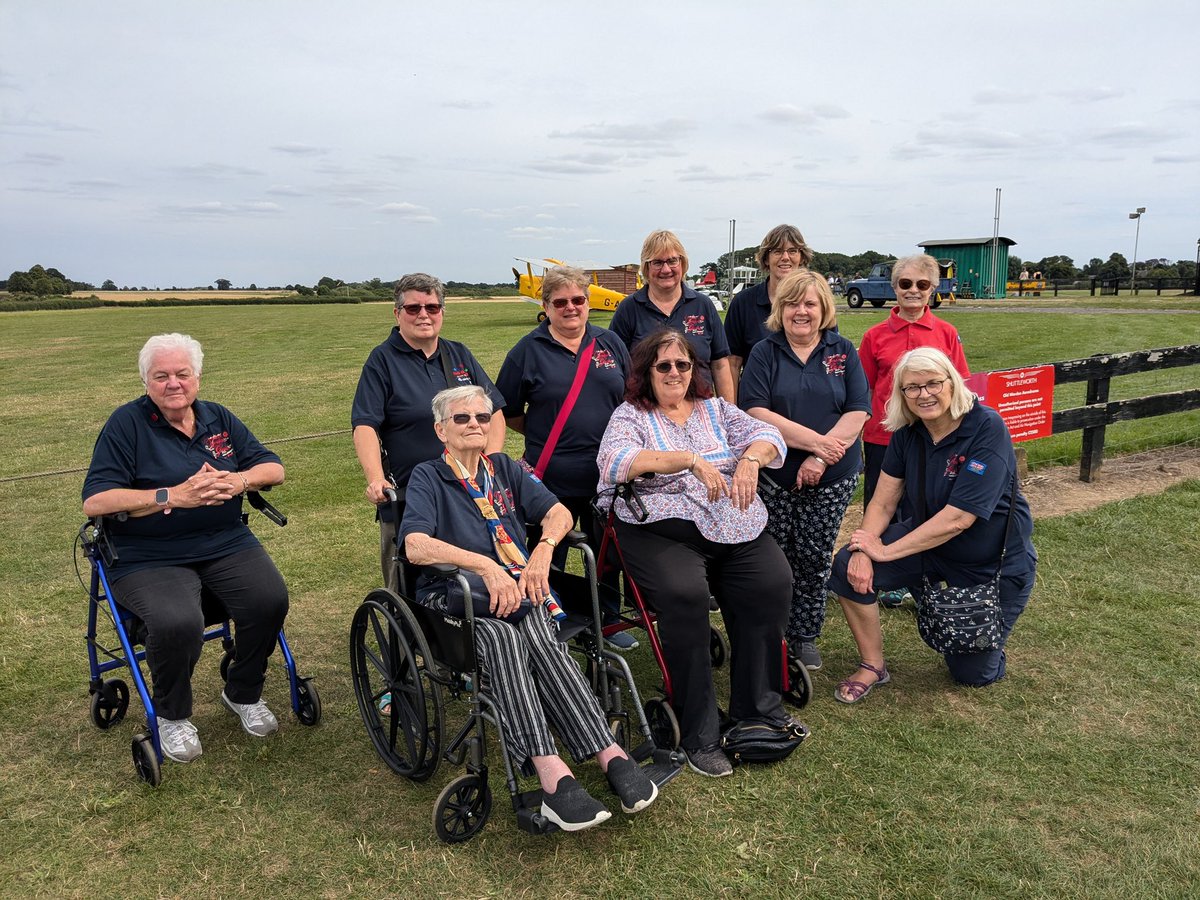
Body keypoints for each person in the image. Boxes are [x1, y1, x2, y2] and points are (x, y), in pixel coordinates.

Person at [401, 386, 659, 832]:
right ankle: (552, 774)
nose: (475, 425)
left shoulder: (504, 468)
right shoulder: (427, 477)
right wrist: (484, 564)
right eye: (462, 419)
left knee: (539, 633)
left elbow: (559, 513)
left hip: (518, 593)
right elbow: (415, 546)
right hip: (457, 598)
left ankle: (609, 753)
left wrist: (541, 551)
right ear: (441, 430)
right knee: (504, 641)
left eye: (482, 417)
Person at [82, 333, 290, 763]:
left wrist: (240, 481)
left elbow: (274, 467)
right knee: (177, 621)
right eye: (161, 376)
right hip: (146, 553)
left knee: (269, 599)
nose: (173, 383)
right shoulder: (126, 424)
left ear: (197, 377)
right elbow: (96, 501)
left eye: (182, 373)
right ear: (146, 381)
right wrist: (171, 496)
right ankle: (172, 717)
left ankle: (243, 692)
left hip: (225, 540)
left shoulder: (218, 418)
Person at [597, 328, 792, 778]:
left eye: (682, 365)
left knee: (771, 582)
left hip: (732, 522)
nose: (674, 373)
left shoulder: (716, 408)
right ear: (646, 372)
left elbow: (767, 435)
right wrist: (689, 460)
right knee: (684, 596)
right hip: (661, 530)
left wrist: (750, 460)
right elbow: (616, 462)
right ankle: (699, 730)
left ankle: (758, 709)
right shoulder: (631, 415)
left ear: (694, 370)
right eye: (663, 365)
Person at [826, 347, 1037, 702]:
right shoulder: (908, 433)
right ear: (902, 395)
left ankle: (984, 636)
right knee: (848, 566)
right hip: (928, 548)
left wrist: (886, 550)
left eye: (932, 384)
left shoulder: (986, 427)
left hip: (989, 565)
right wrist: (863, 546)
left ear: (951, 382)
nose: (924, 395)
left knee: (971, 674)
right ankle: (873, 665)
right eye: (912, 388)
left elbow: (958, 519)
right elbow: (883, 499)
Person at [495, 266, 636, 649]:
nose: (571, 308)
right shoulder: (527, 350)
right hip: (550, 475)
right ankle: (547, 620)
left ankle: (606, 621)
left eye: (578, 300)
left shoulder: (610, 343)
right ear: (546, 306)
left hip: (607, 472)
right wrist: (546, 439)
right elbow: (506, 409)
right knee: (546, 550)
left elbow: (629, 399)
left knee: (608, 550)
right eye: (561, 302)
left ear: (588, 303)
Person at [739, 271, 870, 673]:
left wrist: (821, 457)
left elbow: (858, 410)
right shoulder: (765, 352)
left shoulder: (842, 350)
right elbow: (756, 410)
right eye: (793, 303)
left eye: (810, 304)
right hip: (775, 474)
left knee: (813, 556)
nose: (801, 311)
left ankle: (805, 634)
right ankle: (769, 631)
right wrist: (814, 443)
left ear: (823, 309)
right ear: (781, 309)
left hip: (831, 474)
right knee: (773, 558)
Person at [352, 273, 505, 592]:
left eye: (433, 307)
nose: (424, 314)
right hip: (412, 492)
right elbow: (365, 424)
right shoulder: (382, 361)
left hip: (468, 488)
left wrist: (490, 462)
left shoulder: (459, 354)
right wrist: (375, 479)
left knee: (473, 564)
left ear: (442, 312)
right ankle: (405, 634)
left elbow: (495, 410)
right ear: (397, 313)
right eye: (413, 308)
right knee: (409, 572)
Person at [858, 254, 970, 608]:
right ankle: (880, 570)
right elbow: (862, 389)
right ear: (894, 288)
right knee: (881, 504)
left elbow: (961, 384)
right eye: (905, 284)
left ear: (933, 290)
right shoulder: (874, 336)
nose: (913, 291)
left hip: (933, 438)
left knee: (924, 504)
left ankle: (922, 575)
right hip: (883, 436)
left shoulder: (945, 333)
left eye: (922, 285)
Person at [609, 229, 735, 402]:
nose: (666, 269)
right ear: (646, 267)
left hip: (700, 410)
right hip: (645, 412)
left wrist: (728, 414)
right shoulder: (629, 308)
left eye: (672, 261)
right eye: (658, 262)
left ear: (682, 263)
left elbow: (720, 365)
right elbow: (615, 367)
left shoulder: (703, 305)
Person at [724, 224, 814, 398]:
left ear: (802, 257)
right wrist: (732, 412)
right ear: (766, 258)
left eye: (793, 251)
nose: (785, 257)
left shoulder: (816, 304)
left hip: (806, 405)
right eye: (777, 251)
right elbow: (732, 363)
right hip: (756, 406)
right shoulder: (743, 303)